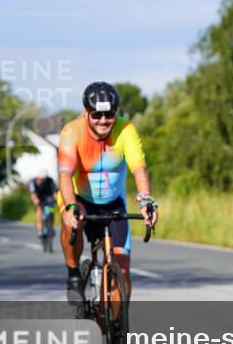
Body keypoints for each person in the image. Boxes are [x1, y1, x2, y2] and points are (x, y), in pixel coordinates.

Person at [58, 82, 158, 303]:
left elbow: (139, 168)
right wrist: (70, 206)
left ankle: (115, 326)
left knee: (122, 267)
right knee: (71, 221)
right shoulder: (72, 131)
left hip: (113, 202)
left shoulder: (126, 129)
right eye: (97, 114)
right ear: (86, 113)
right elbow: (65, 174)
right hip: (79, 198)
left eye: (109, 114)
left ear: (116, 113)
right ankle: (74, 274)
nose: (103, 120)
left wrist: (146, 200)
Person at [29, 171, 58, 238]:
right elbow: (32, 193)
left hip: (48, 198)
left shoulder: (50, 180)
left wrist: (56, 199)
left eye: (43, 179)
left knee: (51, 211)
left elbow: (54, 192)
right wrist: (35, 200)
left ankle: (51, 226)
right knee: (39, 210)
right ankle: (40, 229)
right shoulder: (32, 182)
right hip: (39, 198)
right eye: (40, 179)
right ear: (37, 177)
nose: (42, 180)